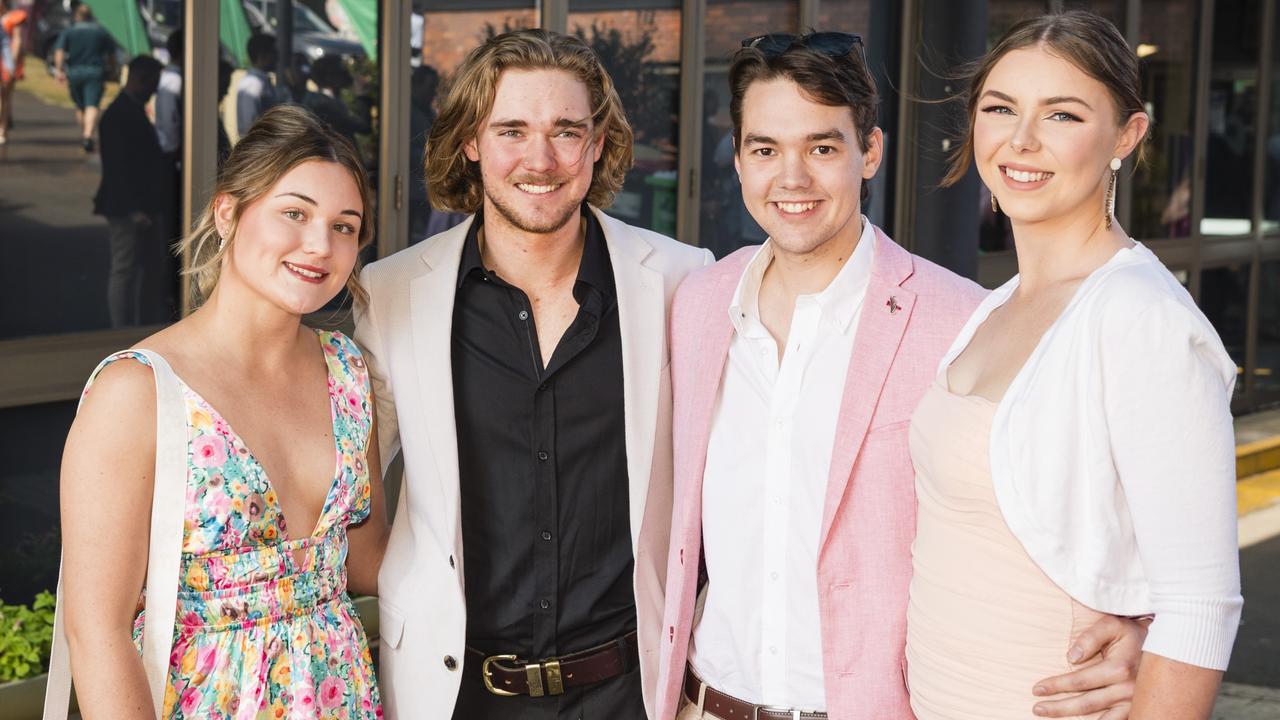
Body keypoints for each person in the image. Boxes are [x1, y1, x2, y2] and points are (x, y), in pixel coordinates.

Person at [654, 31, 1149, 720]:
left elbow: (1080, 504)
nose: (791, 179)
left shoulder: (962, 321)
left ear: (871, 153)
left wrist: (1137, 626)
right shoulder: (701, 305)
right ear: (737, 159)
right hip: (702, 704)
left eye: (822, 148)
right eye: (766, 149)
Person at [354, 28, 712, 720]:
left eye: (566, 131)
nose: (540, 160)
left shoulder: (680, 280)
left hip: (628, 693)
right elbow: (348, 496)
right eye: (511, 130)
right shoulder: (394, 292)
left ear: (598, 144)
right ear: (471, 142)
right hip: (455, 692)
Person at [907, 11, 1241, 720]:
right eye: (1001, 108)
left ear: (1126, 135)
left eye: (1062, 114)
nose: (1021, 141)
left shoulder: (1141, 320)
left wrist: (1150, 637)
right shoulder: (992, 306)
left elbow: (1201, 607)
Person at [60, 105, 389, 718]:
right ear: (228, 211)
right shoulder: (137, 390)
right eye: (295, 213)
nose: (320, 245)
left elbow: (366, 559)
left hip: (339, 698)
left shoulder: (348, 373)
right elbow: (96, 632)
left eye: (346, 226)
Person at [94, 55, 171, 328]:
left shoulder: (130, 110)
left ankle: (142, 322)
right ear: (141, 79)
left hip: (144, 205)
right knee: (124, 269)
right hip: (128, 208)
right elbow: (117, 168)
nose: (154, 91)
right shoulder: (119, 114)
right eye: (153, 83)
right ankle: (120, 326)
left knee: (149, 269)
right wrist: (133, 209)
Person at [53, 2, 115, 152]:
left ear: (76, 15)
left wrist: (59, 70)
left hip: (74, 72)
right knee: (92, 105)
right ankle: (88, 135)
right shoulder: (100, 31)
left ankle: (85, 133)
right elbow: (111, 54)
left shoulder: (69, 31)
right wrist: (112, 70)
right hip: (95, 71)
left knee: (80, 106)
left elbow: (59, 51)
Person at [236, 33, 278, 138]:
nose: (277, 57)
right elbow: (249, 123)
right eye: (273, 52)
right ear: (262, 55)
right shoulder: (253, 83)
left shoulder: (261, 81)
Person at [0, 0, 27, 145]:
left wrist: (12, 65)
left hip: (5, 62)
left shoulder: (13, 17)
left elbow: (17, 40)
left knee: (5, 96)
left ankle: (3, 127)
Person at [155, 30, 183, 161]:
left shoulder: (170, 77)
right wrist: (174, 150)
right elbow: (169, 118)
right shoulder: (173, 80)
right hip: (170, 152)